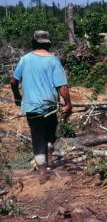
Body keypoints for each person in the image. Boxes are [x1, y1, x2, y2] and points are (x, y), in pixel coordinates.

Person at [11, 30, 72, 183]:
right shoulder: (53, 61)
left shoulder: (24, 59)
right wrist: (68, 103)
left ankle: (42, 171)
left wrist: (17, 96)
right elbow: (62, 87)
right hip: (50, 106)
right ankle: (49, 159)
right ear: (49, 43)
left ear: (33, 43)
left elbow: (13, 81)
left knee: (37, 137)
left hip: (31, 107)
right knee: (51, 132)